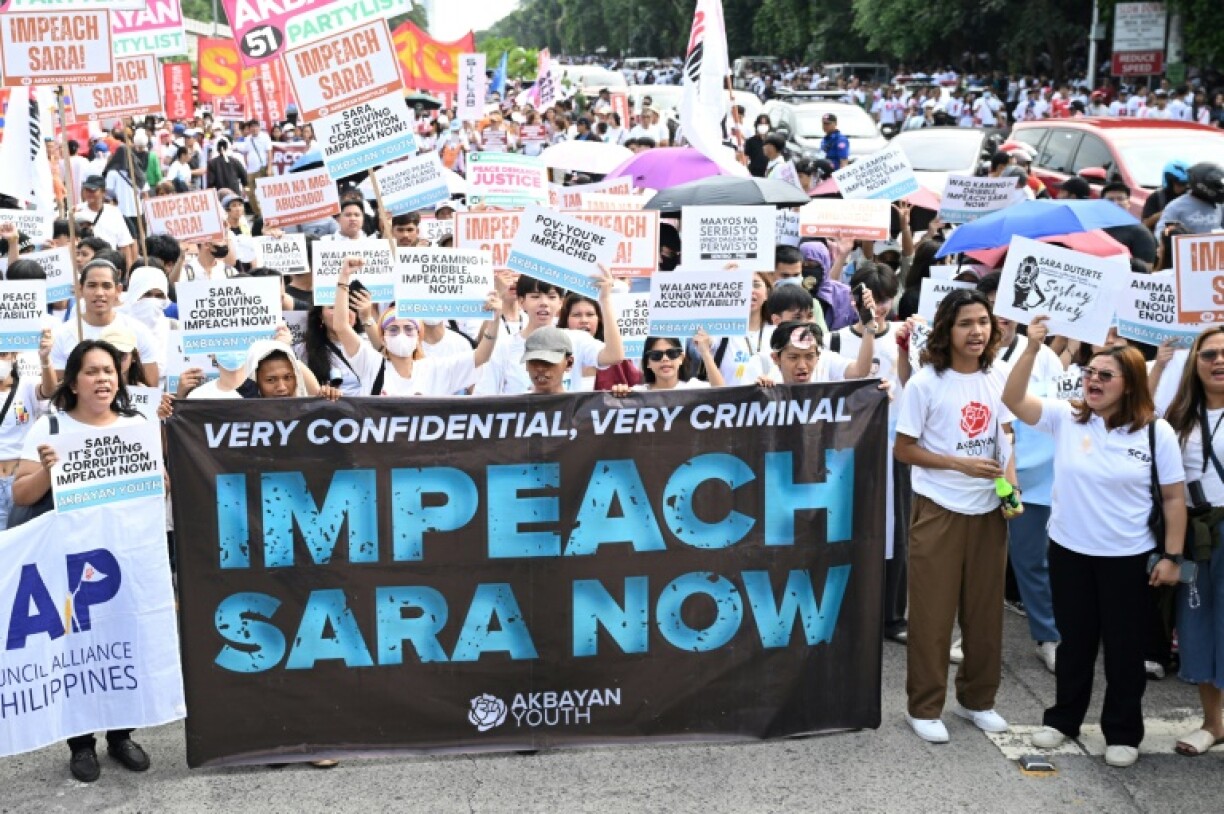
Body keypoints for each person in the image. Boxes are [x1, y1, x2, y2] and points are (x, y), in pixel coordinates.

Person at [1006, 316, 1186, 768]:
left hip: (1128, 558)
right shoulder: (1067, 418)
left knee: (1125, 650)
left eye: (1106, 376)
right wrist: (1032, 347)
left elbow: (1172, 498)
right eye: (1089, 374)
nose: (1093, 382)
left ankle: (1123, 731)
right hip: (1069, 552)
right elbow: (1011, 399)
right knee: (1075, 643)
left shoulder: (1154, 431)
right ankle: (1063, 719)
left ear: (1130, 384)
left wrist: (1172, 556)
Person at [11, 340, 152, 782]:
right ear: (73, 382)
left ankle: (121, 735)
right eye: (92, 372)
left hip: (123, 558)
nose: (103, 379)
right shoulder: (49, 427)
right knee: (76, 650)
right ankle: (82, 744)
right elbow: (19, 496)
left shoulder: (136, 426)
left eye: (109, 370)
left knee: (123, 638)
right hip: (69, 565)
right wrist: (50, 471)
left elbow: (154, 491)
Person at [894, 289, 1017, 744]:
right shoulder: (926, 382)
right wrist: (959, 463)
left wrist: (1012, 485)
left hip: (989, 509)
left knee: (986, 615)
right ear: (947, 330)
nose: (977, 331)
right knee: (932, 615)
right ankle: (924, 707)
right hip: (939, 509)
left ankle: (977, 701)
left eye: (983, 322)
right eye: (966, 323)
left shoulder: (1001, 375)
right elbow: (903, 449)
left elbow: (1007, 438)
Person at [976, 273, 1063, 672]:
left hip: (1040, 476)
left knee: (1036, 559)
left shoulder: (1043, 355)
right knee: (988, 555)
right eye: (992, 312)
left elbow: (1056, 410)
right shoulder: (973, 359)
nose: (1000, 320)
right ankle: (974, 631)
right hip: (994, 473)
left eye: (1007, 311)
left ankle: (1049, 635)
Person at [1164, 327, 1224, 756]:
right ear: (1195, 363)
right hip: (1194, 539)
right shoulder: (1179, 416)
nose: (1218, 361)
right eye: (1208, 355)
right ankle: (1213, 723)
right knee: (1197, 625)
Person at [331, 258, 500, 396]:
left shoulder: (434, 369)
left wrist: (495, 319)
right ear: (382, 337)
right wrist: (343, 278)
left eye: (409, 329)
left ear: (419, 336)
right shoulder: (371, 364)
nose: (401, 334)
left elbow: (481, 357)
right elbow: (341, 326)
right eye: (393, 329)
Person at [476, 271, 624, 395]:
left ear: (561, 302)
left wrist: (605, 300)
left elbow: (614, 356)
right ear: (521, 301)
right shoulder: (504, 347)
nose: (544, 303)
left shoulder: (576, 339)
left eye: (552, 297)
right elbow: (484, 398)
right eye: (535, 296)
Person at [50, 259, 160, 385]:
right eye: (92, 285)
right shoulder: (61, 335)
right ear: (80, 289)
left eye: (106, 286)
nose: (99, 293)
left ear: (118, 290)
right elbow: (58, 390)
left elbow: (150, 390)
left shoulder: (138, 331)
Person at [558, 294, 641, 390]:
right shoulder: (555, 354)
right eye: (577, 315)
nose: (584, 320)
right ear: (566, 319)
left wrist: (623, 391)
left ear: (599, 319)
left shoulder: (616, 360)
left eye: (590, 314)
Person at [613, 332, 723, 395]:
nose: (665, 359)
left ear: (681, 358)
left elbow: (723, 394)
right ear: (647, 363)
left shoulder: (694, 388)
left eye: (672, 353)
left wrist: (705, 352)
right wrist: (619, 395)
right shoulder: (636, 394)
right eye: (656, 355)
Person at [75, 175, 136, 267]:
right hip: (85, 265)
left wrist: (128, 271)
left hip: (109, 263)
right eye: (87, 190)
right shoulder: (76, 211)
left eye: (93, 190)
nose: (89, 193)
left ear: (103, 192)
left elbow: (124, 244)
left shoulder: (114, 212)